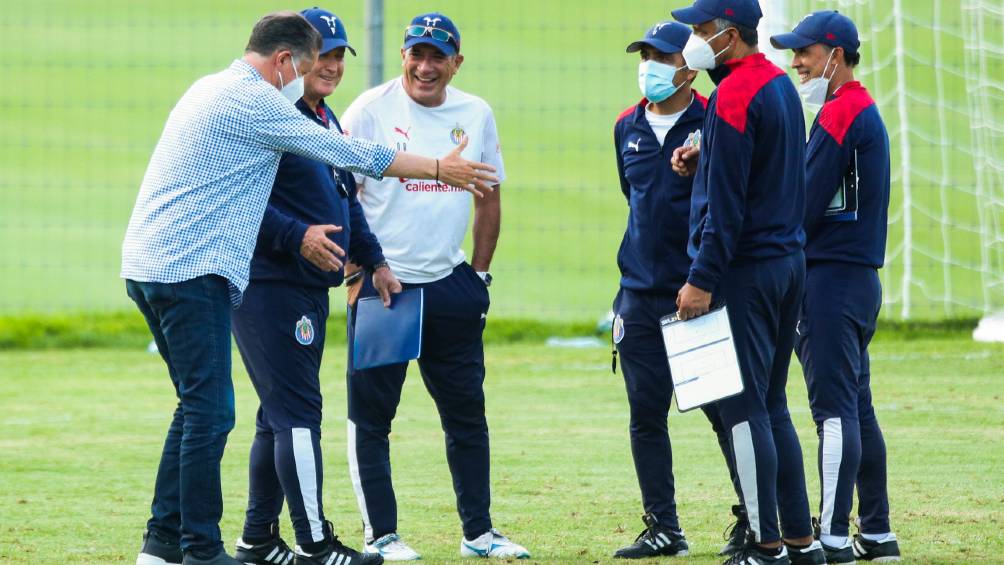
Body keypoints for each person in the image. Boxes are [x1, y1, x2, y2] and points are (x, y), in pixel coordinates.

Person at [122, 11, 498, 565]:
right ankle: (201, 549)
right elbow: (358, 158)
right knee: (212, 412)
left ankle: (162, 545)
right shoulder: (259, 102)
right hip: (189, 267)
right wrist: (440, 167)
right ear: (281, 62)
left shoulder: (213, 86)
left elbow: (341, 185)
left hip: (152, 262)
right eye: (303, 66)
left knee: (196, 408)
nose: (309, 76)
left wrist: (369, 254)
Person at [338, 12, 529, 561]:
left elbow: (488, 196)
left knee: (467, 415)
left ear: (456, 62)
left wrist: (481, 272)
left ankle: (479, 534)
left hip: (449, 285)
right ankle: (382, 535)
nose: (425, 67)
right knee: (373, 419)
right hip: (386, 287)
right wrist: (359, 269)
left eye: (437, 56)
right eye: (416, 54)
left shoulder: (475, 113)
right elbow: (342, 195)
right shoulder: (370, 111)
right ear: (402, 56)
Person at [228, 9, 394, 565]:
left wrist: (373, 259)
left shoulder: (323, 119)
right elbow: (244, 201)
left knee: (275, 414)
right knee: (297, 413)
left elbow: (346, 197)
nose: (330, 65)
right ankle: (316, 543)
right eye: (320, 54)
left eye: (338, 54)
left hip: (304, 286)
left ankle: (256, 541)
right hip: (270, 284)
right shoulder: (274, 117)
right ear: (294, 60)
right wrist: (296, 234)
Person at [668, 0, 821, 563]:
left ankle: (765, 544)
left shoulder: (732, 94)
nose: (694, 39)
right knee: (772, 403)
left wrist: (701, 279)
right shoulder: (777, 85)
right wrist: (704, 156)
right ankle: (802, 542)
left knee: (741, 407)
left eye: (702, 30)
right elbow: (763, 162)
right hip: (788, 263)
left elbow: (727, 208)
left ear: (729, 35)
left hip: (744, 272)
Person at [609, 19, 747, 560]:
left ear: (689, 69)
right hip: (640, 294)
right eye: (645, 55)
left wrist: (703, 279)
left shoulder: (714, 118)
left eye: (661, 57)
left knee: (724, 412)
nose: (650, 67)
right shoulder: (626, 125)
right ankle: (663, 526)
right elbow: (634, 198)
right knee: (646, 414)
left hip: (700, 293)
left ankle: (752, 516)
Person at [771, 11, 901, 563]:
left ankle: (832, 536)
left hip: (830, 283)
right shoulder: (853, 109)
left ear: (836, 55)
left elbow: (799, 202)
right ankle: (876, 531)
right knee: (856, 408)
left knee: (833, 413)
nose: (795, 63)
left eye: (804, 52)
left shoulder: (841, 112)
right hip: (854, 281)